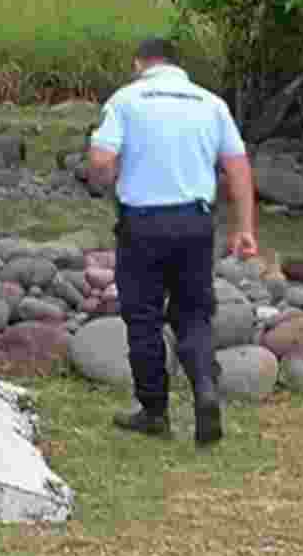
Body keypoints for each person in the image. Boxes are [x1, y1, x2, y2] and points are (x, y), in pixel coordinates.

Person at [87, 37, 258, 447]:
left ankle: (154, 412)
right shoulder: (210, 103)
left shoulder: (125, 100)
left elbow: (100, 162)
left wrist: (103, 182)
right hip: (195, 224)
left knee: (143, 315)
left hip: (142, 226)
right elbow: (237, 166)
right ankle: (205, 389)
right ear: (178, 66)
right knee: (194, 312)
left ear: (139, 64)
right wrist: (245, 228)